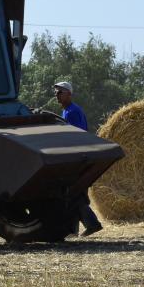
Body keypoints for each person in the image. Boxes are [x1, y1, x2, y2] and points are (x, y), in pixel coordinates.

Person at [53, 81, 103, 236]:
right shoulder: (67, 111)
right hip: (76, 157)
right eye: (56, 92)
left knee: (75, 194)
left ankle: (92, 224)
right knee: (73, 194)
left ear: (69, 94)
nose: (57, 95)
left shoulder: (73, 112)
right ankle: (72, 231)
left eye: (60, 92)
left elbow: (77, 136)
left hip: (78, 158)